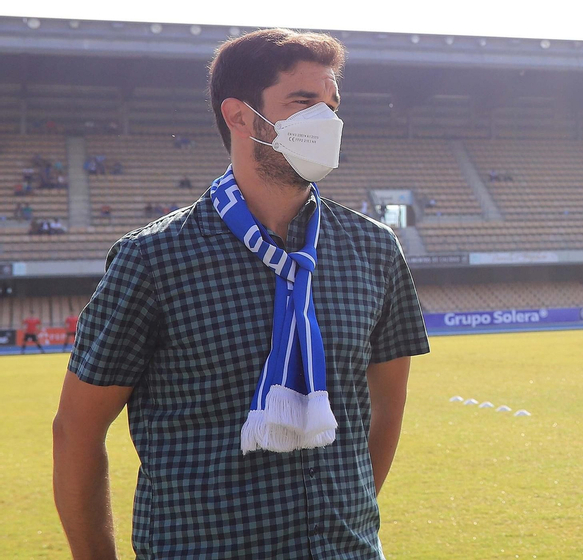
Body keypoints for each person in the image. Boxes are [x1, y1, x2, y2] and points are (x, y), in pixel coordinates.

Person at [53, 29, 431, 558]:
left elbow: (385, 410)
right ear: (239, 116)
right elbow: (77, 429)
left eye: (331, 103)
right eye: (303, 102)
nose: (326, 119)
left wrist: (345, 521)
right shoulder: (154, 258)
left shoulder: (374, 248)